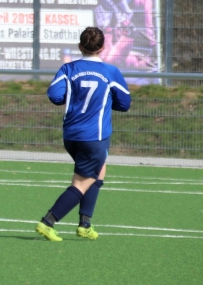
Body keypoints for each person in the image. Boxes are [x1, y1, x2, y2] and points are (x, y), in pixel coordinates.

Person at [35, 26, 131, 241]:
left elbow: (55, 96)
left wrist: (74, 97)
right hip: (94, 136)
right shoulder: (110, 72)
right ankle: (48, 222)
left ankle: (85, 224)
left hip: (71, 135)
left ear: (80, 47)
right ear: (103, 47)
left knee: (99, 170)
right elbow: (125, 104)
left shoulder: (68, 69)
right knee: (82, 182)